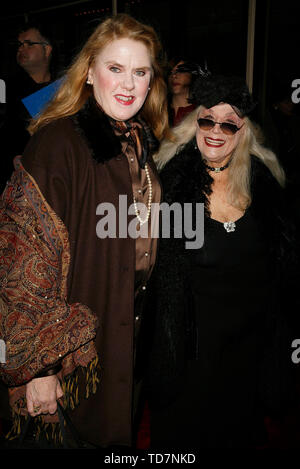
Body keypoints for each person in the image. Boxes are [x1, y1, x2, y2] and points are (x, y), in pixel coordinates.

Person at [0, 13, 169, 449]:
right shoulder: (59, 143)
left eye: (140, 71)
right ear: (90, 73)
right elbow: (22, 264)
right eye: (115, 68)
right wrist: (39, 369)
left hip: (124, 339)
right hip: (71, 359)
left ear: (152, 82)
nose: (128, 83)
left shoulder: (136, 141)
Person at [145, 73, 299, 449]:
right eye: (207, 119)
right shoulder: (170, 185)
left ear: (242, 130)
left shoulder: (263, 183)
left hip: (246, 351)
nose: (216, 130)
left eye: (228, 123)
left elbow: (282, 265)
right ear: (194, 123)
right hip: (190, 350)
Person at [0, 23, 55, 192]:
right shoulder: (6, 86)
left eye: (29, 44)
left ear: (47, 50)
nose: (22, 49)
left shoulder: (64, 87)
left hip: (53, 177)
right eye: (19, 45)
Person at [167, 58, 198, 126]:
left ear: (192, 74)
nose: (174, 76)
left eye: (180, 71)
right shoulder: (159, 110)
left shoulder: (201, 111)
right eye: (170, 72)